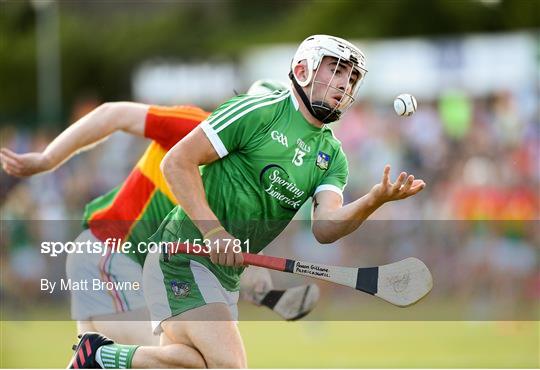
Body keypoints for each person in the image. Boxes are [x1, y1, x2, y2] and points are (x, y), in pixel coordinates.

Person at [66, 34, 426, 369]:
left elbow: (325, 228)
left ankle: (99, 356)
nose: (345, 84)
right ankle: (97, 357)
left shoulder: (331, 155)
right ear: (303, 70)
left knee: (198, 364)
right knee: (231, 365)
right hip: (182, 255)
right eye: (336, 70)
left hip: (225, 274)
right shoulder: (256, 111)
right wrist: (213, 231)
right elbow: (176, 162)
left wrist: (373, 200)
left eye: (351, 78)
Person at [0, 80, 319, 354]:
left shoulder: (248, 187)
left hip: (141, 276)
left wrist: (251, 276)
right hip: (111, 256)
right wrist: (47, 158)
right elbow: (114, 114)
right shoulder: (199, 128)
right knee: (179, 358)